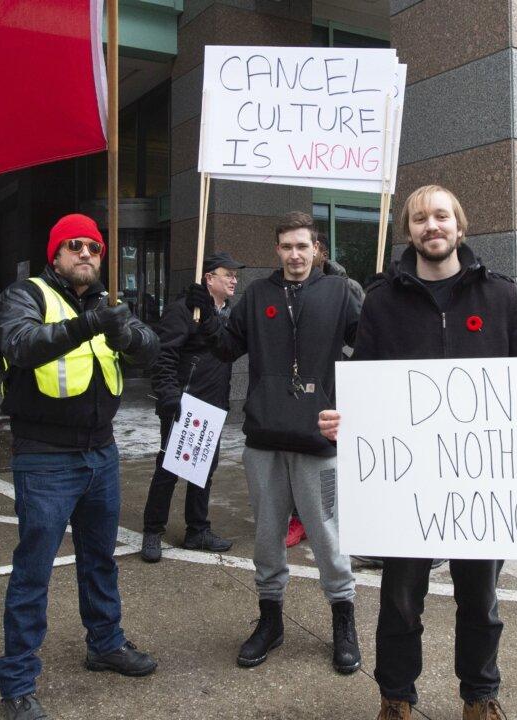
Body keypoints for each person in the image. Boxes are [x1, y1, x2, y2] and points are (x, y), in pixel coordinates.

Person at [318, 185, 517, 720]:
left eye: (441, 216)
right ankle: (396, 697)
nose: (432, 226)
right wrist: (341, 417)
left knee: (481, 603)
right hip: (408, 490)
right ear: (409, 232)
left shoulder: (500, 297)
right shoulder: (380, 302)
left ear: (460, 225)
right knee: (400, 602)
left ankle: (480, 697)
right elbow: (362, 387)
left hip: (483, 489)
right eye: (420, 218)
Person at [0, 213, 160, 720]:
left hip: (101, 452)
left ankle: (105, 643)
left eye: (93, 247)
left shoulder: (108, 304)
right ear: (56, 254)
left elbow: (149, 351)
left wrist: (124, 331)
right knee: (33, 571)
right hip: (44, 455)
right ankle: (18, 682)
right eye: (73, 245)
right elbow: (21, 344)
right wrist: (89, 324)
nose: (85, 253)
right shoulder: (25, 295)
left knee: (100, 559)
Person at [185, 211, 363, 674]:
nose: (295, 254)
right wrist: (205, 315)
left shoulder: (339, 292)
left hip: (317, 435)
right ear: (277, 250)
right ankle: (270, 621)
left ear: (316, 248)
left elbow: (368, 349)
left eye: (303, 246)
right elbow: (226, 348)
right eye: (287, 246)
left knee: (326, 532)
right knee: (268, 534)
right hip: (264, 436)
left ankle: (344, 619)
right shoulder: (258, 295)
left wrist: (374, 302)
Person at [140, 252, 245, 563]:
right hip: (184, 404)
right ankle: (152, 530)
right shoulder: (184, 310)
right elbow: (164, 357)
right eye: (228, 274)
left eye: (236, 275)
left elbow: (228, 349)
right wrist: (169, 395)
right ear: (209, 278)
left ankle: (197, 530)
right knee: (169, 469)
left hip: (213, 405)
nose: (234, 279)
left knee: (204, 471)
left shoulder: (228, 312)